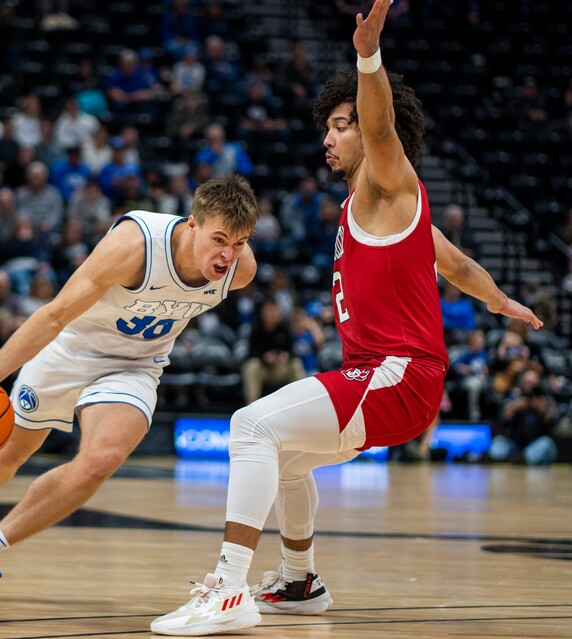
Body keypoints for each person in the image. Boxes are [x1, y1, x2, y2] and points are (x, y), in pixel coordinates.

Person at [152, 2, 544, 635]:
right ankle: (301, 581)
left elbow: (383, 126)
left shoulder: (389, 184)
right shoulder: (391, 213)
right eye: (328, 126)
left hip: (400, 373)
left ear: (370, 128)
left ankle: (227, 590)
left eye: (342, 125)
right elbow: (461, 266)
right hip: (392, 378)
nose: (329, 137)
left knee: (250, 426)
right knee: (286, 460)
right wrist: (502, 303)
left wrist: (369, 54)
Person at [0, 174, 259, 605]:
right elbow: (54, 315)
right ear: (192, 224)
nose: (228, 254)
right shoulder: (134, 246)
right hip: (72, 349)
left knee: (101, 460)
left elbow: (232, 259)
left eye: (240, 242)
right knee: (9, 452)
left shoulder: (240, 271)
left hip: (135, 365)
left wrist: (234, 252)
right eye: (220, 239)